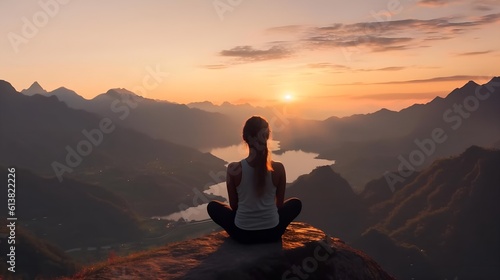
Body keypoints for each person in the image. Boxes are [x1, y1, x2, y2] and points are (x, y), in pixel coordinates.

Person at [207, 116, 302, 244]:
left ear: (245, 138)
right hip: (272, 233)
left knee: (213, 206)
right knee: (295, 203)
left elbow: (234, 206)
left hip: (243, 235)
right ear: (267, 137)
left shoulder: (234, 169)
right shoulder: (278, 168)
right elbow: (279, 205)